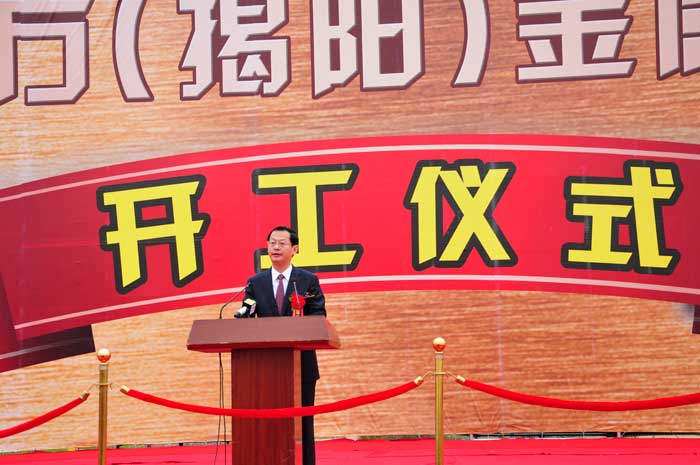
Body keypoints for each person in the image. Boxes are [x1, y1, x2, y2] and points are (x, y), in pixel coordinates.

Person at [244, 225, 326, 465]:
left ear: (295, 249)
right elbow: (247, 312)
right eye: (272, 243)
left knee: (304, 422)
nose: (276, 247)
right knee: (269, 423)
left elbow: (318, 315)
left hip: (302, 365)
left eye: (282, 243)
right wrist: (242, 315)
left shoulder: (308, 281)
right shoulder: (255, 282)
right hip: (266, 366)